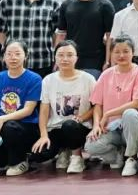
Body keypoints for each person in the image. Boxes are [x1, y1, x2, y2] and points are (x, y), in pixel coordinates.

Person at [0, 40, 42, 176]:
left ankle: (19, 162)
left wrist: (2, 119)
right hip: (4, 129)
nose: (13, 58)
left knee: (9, 126)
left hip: (26, 128)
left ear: (26, 56)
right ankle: (13, 158)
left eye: (17, 54)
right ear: (3, 57)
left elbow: (28, 110)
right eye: (9, 54)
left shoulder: (34, 79)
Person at [84, 37, 138, 177]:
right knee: (90, 146)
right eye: (117, 52)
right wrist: (96, 125)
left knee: (130, 113)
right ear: (111, 53)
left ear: (133, 52)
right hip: (110, 128)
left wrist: (108, 114)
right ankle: (117, 155)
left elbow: (137, 103)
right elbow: (97, 104)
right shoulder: (106, 74)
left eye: (126, 51)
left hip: (132, 127)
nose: (121, 55)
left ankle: (131, 158)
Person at [30, 40, 96, 174]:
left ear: (76, 58)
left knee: (69, 125)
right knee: (38, 155)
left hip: (79, 127)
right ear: (55, 58)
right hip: (56, 128)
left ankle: (77, 156)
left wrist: (83, 117)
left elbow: (97, 106)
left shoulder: (88, 79)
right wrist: (43, 135)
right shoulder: (48, 80)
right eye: (60, 55)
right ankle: (63, 151)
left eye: (70, 55)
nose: (65, 59)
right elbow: (44, 111)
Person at [55, 0, 116, 79]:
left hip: (95, 61)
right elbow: (61, 34)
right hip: (70, 59)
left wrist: (108, 61)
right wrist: (57, 60)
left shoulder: (105, 5)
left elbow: (110, 37)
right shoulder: (66, 5)